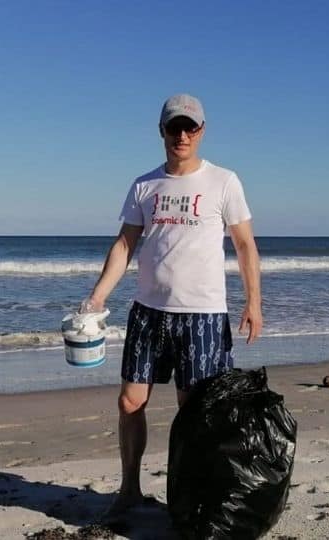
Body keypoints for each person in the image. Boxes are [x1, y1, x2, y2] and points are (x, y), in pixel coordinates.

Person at [83, 93, 263, 519]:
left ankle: (191, 496)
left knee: (195, 410)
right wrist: (97, 297)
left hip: (202, 315)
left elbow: (245, 246)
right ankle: (129, 488)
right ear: (161, 130)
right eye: (174, 127)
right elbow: (125, 244)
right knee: (130, 402)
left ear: (202, 131)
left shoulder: (224, 181)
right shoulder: (145, 185)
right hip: (148, 312)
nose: (182, 134)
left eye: (190, 127)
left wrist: (253, 301)